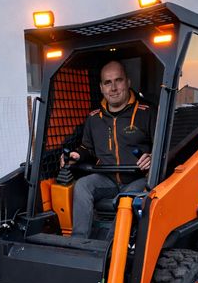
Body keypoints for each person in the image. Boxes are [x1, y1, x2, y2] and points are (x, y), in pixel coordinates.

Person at [62, 61, 156, 238]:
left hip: (138, 178)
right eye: (107, 82)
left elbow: (164, 147)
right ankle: (78, 242)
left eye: (118, 80)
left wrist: (152, 156)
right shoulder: (93, 118)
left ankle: (112, 246)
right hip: (107, 179)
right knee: (82, 185)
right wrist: (77, 155)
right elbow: (87, 147)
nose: (113, 88)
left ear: (128, 82)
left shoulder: (147, 112)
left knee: (126, 198)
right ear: (101, 87)